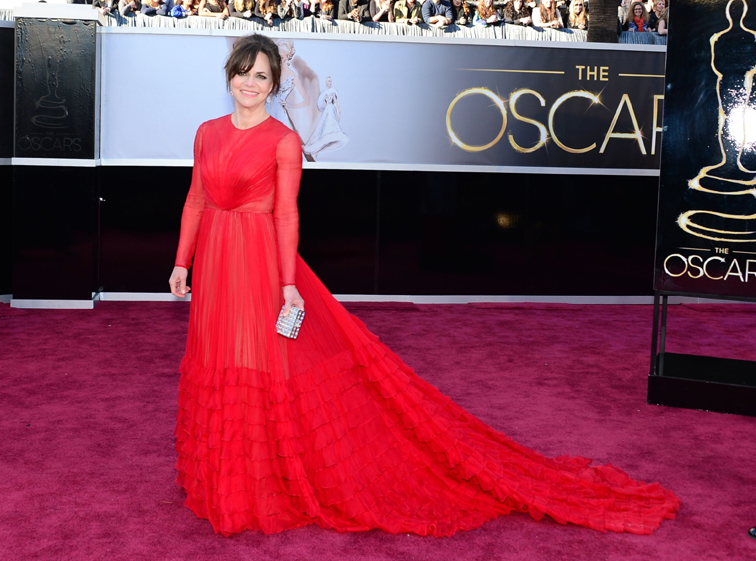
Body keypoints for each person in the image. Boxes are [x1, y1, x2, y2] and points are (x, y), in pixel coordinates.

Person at [169, 32, 681, 538]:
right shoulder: (206, 131)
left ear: (275, 83)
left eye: (262, 75)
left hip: (258, 262)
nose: (250, 83)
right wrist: (181, 263)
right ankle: (222, 473)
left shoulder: (283, 141)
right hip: (215, 262)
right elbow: (195, 200)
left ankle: (257, 485)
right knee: (219, 358)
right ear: (229, 74)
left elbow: (286, 215)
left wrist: (287, 283)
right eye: (243, 72)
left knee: (260, 360)